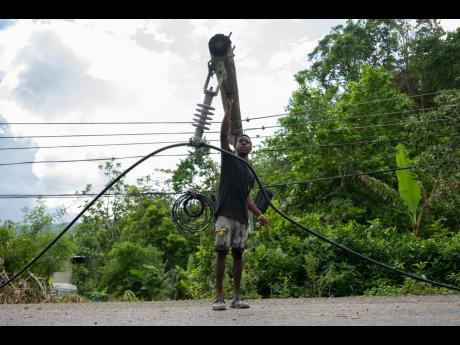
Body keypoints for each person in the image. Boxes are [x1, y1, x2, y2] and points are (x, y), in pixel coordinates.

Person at [212, 95, 269, 311]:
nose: (244, 143)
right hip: (225, 214)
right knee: (221, 252)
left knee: (238, 255)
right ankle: (219, 298)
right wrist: (228, 111)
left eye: (247, 141)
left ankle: (236, 298)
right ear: (235, 146)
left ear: (251, 148)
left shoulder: (250, 171)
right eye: (240, 141)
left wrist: (259, 214)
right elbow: (222, 135)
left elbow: (247, 197)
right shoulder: (228, 158)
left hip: (242, 219)